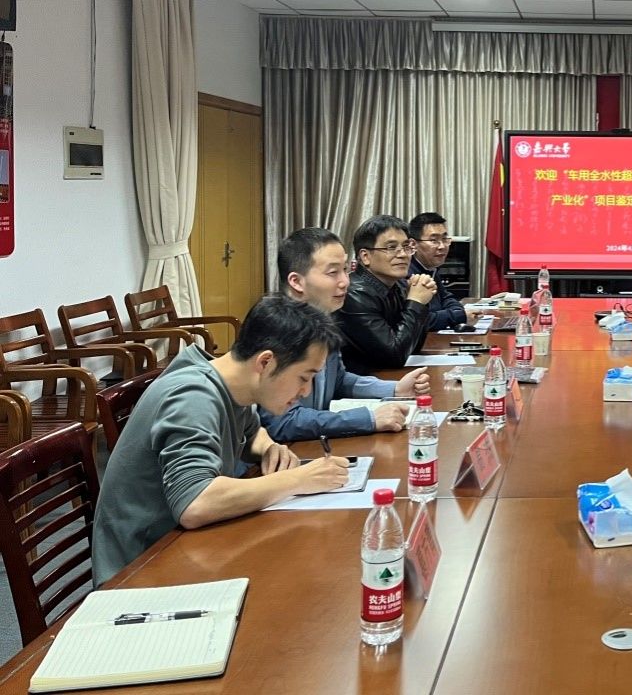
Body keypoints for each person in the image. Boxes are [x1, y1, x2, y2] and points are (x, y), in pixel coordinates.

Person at [92, 295, 352, 584]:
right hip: (139, 573)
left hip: (183, 550)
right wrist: (299, 479)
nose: (306, 391)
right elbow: (196, 503)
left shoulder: (232, 383)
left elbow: (252, 434)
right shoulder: (194, 396)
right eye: (304, 377)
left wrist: (268, 448)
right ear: (265, 362)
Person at [260, 227, 431, 443]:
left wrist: (394, 389)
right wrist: (368, 419)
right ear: (296, 281)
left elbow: (338, 380)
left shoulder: (323, 318)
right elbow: (284, 422)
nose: (345, 282)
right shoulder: (277, 330)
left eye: (345, 269)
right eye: (333, 273)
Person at [335, 214, 436, 374]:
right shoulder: (354, 294)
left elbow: (413, 347)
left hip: (388, 377)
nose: (403, 254)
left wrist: (421, 301)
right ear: (365, 256)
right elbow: (394, 356)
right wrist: (416, 302)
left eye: (406, 247)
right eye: (391, 248)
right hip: (363, 383)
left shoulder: (399, 285)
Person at [407, 211, 471, 331]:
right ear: (413, 244)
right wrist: (459, 316)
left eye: (445, 239)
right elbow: (421, 321)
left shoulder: (431, 267)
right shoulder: (407, 275)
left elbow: (446, 298)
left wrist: (457, 312)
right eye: (434, 240)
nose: (442, 246)